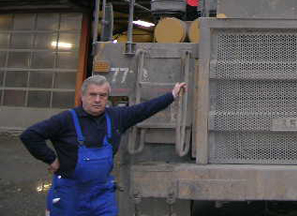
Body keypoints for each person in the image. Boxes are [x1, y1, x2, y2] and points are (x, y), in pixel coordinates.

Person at [20, 75, 187, 216]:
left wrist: (171, 95)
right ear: (82, 96)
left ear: (108, 97)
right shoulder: (66, 119)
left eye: (103, 95)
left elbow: (144, 109)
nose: (98, 100)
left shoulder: (116, 117)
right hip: (69, 193)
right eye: (93, 95)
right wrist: (52, 159)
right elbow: (30, 135)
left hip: (101, 194)